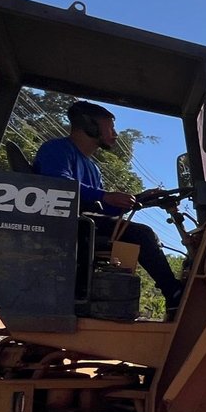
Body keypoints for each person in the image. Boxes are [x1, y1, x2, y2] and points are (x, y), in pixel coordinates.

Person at [34, 101, 183, 309]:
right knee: (143, 234)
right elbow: (60, 186)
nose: (115, 133)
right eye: (110, 127)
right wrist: (105, 196)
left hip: (86, 223)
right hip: (62, 225)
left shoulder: (93, 168)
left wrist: (140, 198)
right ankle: (174, 294)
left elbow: (101, 207)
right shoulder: (56, 149)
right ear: (90, 125)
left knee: (141, 234)